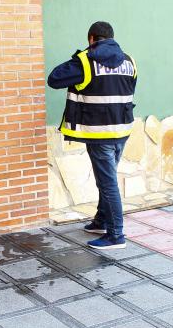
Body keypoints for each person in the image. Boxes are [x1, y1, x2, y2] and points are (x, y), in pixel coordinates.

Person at [47, 21, 137, 250]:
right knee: (106, 181)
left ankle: (116, 235)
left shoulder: (87, 60)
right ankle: (101, 221)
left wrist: (84, 54)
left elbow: (54, 78)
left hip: (100, 134)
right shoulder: (129, 61)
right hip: (122, 131)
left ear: (91, 38)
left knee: (108, 184)